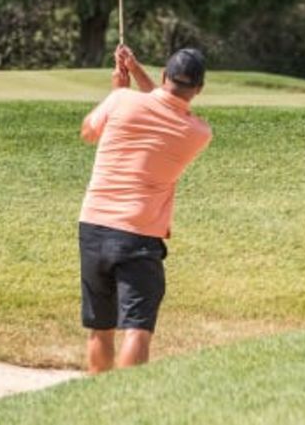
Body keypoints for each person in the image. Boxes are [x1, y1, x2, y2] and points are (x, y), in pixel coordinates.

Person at [78, 44, 213, 374]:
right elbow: (167, 106)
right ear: (199, 89)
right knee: (137, 328)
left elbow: (87, 132)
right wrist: (136, 76)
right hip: (139, 235)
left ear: (165, 75)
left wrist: (119, 92)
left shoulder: (122, 100)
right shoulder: (198, 133)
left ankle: (96, 403)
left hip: (93, 224)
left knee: (101, 324)